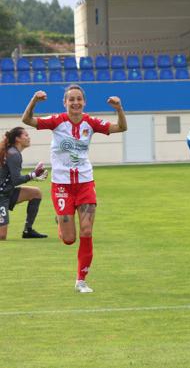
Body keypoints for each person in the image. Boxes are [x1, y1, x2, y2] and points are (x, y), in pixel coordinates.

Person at [22, 85, 128, 293]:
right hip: (61, 185)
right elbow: (27, 120)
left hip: (85, 183)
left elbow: (121, 128)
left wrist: (119, 109)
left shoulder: (91, 122)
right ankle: (61, 220)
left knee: (87, 231)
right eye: (71, 99)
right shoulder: (57, 121)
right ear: (65, 103)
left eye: (79, 99)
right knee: (69, 239)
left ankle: (81, 280)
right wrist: (34, 101)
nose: (75, 103)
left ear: (84, 102)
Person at [0, 127, 48, 240]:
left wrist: (33, 175)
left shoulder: (12, 152)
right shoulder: (14, 154)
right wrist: (33, 175)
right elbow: (16, 180)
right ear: (17, 139)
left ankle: (28, 230)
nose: (29, 137)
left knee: (36, 193)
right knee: (1, 236)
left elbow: (12, 178)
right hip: (1, 196)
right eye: (26, 135)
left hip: (7, 193)